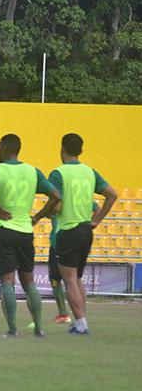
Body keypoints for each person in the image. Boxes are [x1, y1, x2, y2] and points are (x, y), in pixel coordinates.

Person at [0, 134, 60, 338]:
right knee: (29, 282)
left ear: (5, 149)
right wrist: (39, 217)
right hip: (25, 231)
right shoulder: (33, 171)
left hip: (5, 230)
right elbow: (56, 196)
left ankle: (13, 329)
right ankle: (39, 328)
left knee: (7, 282)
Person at [49, 133, 116, 335]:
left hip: (68, 230)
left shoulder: (58, 173)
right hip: (86, 230)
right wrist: (97, 220)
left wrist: (46, 212)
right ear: (81, 151)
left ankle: (81, 323)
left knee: (69, 279)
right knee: (77, 278)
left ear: (61, 149)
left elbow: (58, 206)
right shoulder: (90, 172)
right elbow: (112, 195)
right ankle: (81, 322)